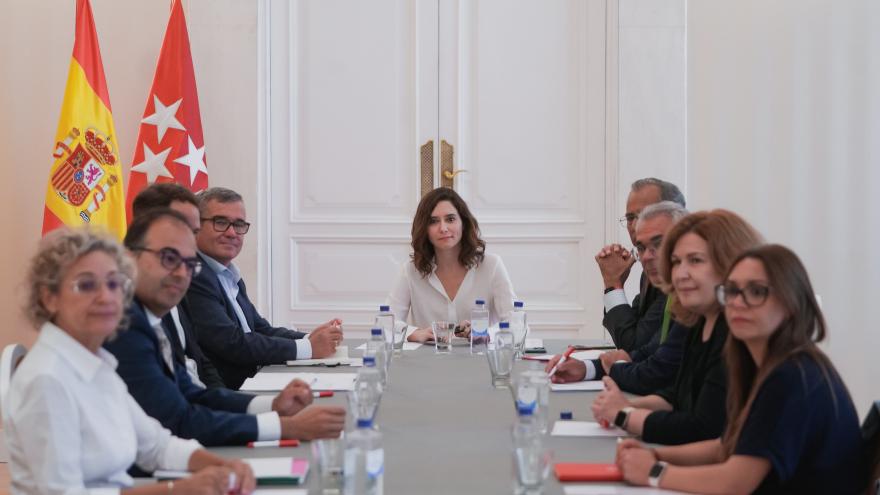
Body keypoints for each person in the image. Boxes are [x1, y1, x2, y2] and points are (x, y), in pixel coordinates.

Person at [6, 227, 255, 494]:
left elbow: (156, 446)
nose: (107, 296)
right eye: (86, 284)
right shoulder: (47, 379)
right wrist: (177, 490)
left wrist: (224, 466)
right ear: (49, 297)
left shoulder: (98, 363)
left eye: (114, 283)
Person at [616, 244, 866, 494]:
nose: (738, 302)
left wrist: (653, 472)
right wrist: (655, 454)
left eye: (756, 292)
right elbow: (725, 446)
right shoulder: (764, 364)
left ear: (791, 303)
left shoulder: (793, 375)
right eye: (732, 291)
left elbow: (735, 482)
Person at [105, 209, 345, 446]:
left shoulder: (152, 314)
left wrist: (271, 406)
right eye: (169, 258)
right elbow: (179, 420)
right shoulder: (126, 324)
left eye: (189, 264)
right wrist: (285, 427)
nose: (181, 273)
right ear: (129, 257)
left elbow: (190, 393)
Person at [591, 209, 762, 445]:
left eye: (695, 261)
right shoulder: (698, 319)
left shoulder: (738, 333)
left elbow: (705, 430)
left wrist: (625, 415)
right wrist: (626, 406)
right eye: (675, 261)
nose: (680, 273)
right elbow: (678, 394)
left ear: (729, 263)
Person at [185, 187, 344, 389]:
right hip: (229, 393)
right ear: (196, 226)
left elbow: (260, 329)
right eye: (221, 222)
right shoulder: (194, 274)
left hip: (254, 381)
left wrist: (311, 337)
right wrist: (308, 347)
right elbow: (231, 343)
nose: (232, 232)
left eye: (239, 224)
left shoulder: (227, 273)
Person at [547, 201, 689, 395]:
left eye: (658, 244)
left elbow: (642, 357)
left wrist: (613, 283)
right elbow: (646, 353)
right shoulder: (658, 284)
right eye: (641, 247)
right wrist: (587, 368)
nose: (647, 256)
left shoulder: (693, 302)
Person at [386, 187, 516, 342]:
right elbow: (384, 324)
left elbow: (517, 323)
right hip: (428, 363)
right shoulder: (411, 270)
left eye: (450, 219)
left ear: (464, 223)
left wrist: (485, 333)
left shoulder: (491, 265)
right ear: (424, 229)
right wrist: (413, 333)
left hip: (480, 362)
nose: (443, 228)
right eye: (433, 221)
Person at [131, 181, 225, 389]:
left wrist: (250, 407)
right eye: (181, 227)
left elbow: (198, 361)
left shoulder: (185, 272)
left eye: (194, 231)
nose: (191, 240)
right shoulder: (125, 312)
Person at [598, 178, 686, 353]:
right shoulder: (649, 270)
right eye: (631, 217)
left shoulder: (682, 277)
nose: (636, 225)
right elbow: (635, 341)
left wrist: (613, 285)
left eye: (646, 214)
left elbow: (634, 346)